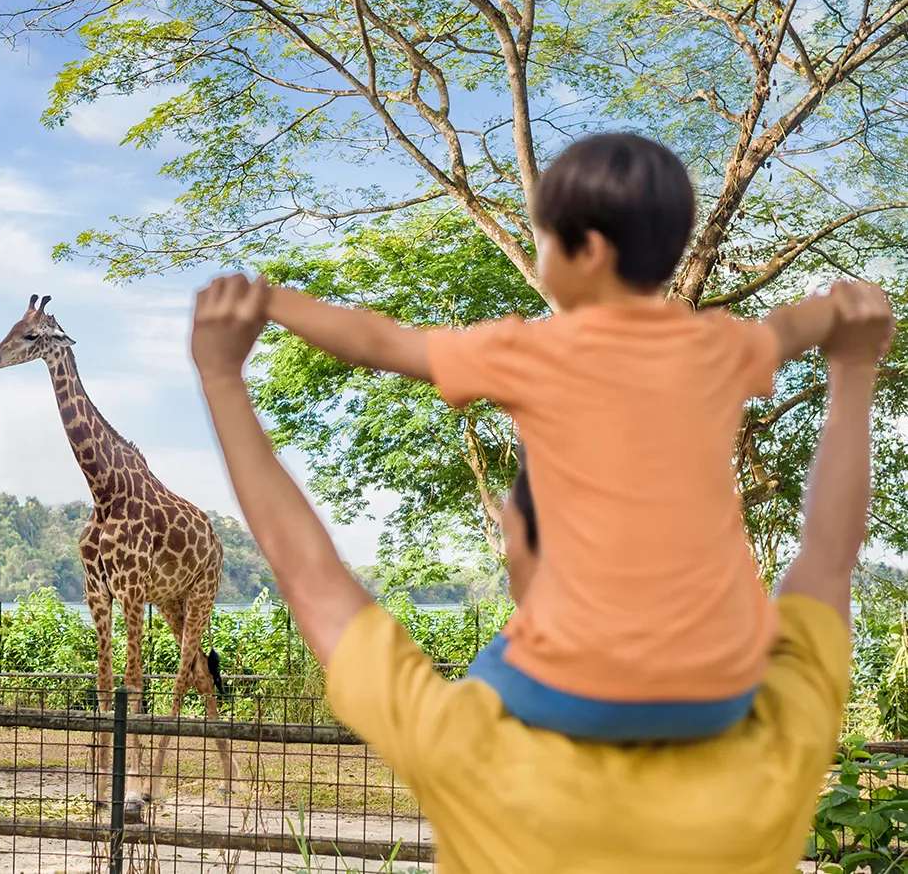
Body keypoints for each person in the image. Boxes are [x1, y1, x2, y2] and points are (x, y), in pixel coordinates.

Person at [190, 271, 891, 870]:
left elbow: (309, 576)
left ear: (518, 542)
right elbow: (827, 561)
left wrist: (222, 378)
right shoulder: (775, 736)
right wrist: (854, 370)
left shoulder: (470, 747)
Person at [263, 132, 854, 741]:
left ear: (589, 251)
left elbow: (380, 343)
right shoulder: (721, 346)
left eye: (542, 238)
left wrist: (272, 302)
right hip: (721, 688)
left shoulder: (534, 351)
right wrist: (838, 307)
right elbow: (790, 329)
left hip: (579, 689)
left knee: (481, 681)